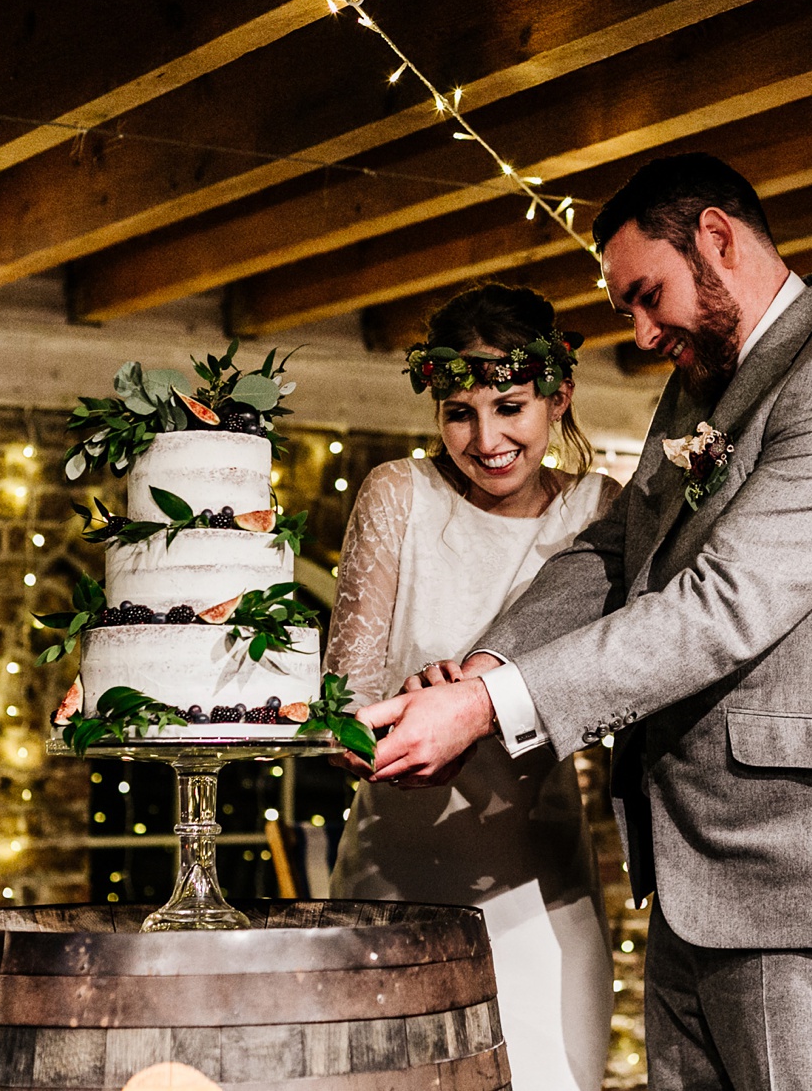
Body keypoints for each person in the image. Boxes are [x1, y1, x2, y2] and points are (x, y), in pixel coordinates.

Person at [358, 154, 812, 1090]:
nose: (642, 333)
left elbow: (720, 606)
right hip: (700, 878)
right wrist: (487, 663)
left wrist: (491, 708)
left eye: (648, 296)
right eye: (627, 312)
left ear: (719, 240)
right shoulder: (699, 390)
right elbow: (615, 556)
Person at [324, 283, 620, 1091]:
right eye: (460, 412)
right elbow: (337, 720)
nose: (486, 438)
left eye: (511, 407)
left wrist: (482, 707)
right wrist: (395, 718)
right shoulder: (397, 494)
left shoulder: (602, 513)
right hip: (397, 882)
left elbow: (617, 688)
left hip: (544, 888)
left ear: (560, 397)